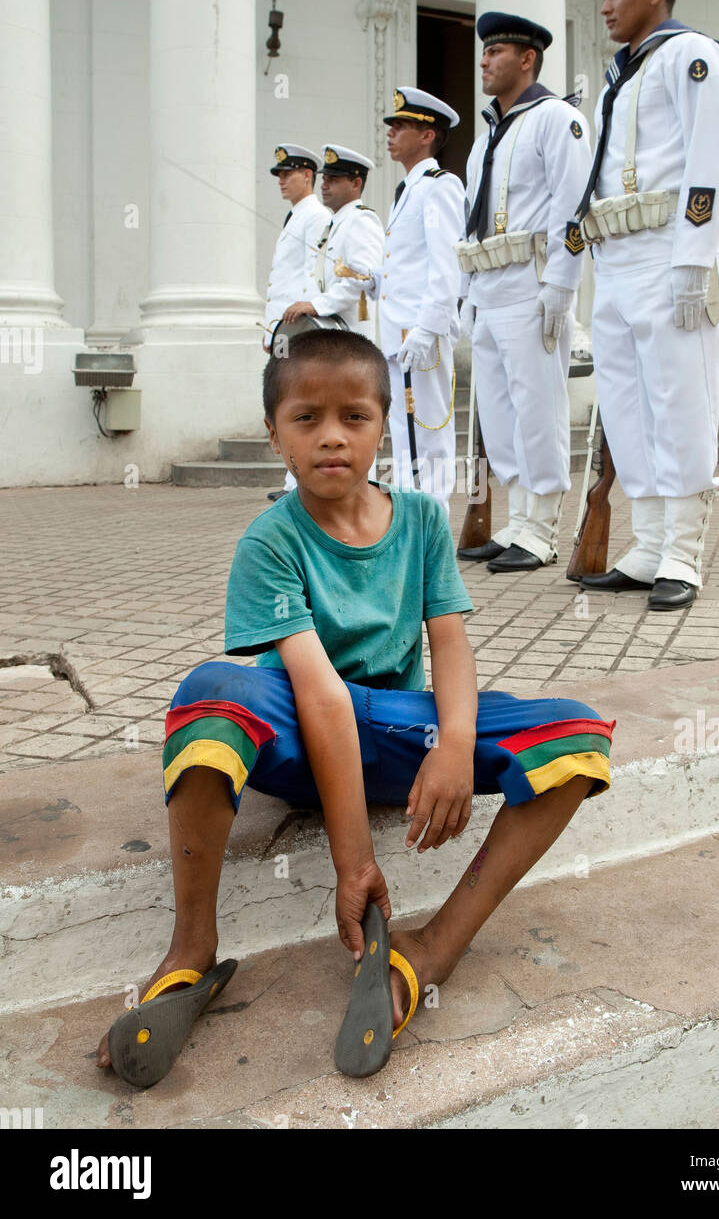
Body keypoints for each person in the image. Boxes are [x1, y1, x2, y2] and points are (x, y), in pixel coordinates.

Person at [96, 329, 614, 1086]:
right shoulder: (269, 543)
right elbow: (323, 699)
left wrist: (452, 744)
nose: (332, 436)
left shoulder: (423, 521)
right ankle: (191, 954)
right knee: (212, 694)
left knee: (576, 734)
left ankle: (429, 951)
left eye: (354, 417)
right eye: (306, 418)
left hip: (401, 734)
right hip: (303, 741)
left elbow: (451, 646)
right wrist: (355, 863)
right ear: (274, 432)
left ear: (384, 424)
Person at [576, 0, 719, 610]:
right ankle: (647, 546)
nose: (606, 6)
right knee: (626, 405)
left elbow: (713, 161)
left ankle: (683, 553)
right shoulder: (621, 75)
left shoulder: (691, 57)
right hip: (616, 261)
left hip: (669, 251)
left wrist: (693, 260)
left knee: (678, 404)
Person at [456, 12, 594, 573]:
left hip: (532, 287)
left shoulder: (557, 120)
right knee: (499, 411)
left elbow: (572, 207)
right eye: (483, 53)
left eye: (496, 52)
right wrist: (466, 293)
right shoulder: (488, 133)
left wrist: (562, 288)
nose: (484, 62)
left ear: (527, 59)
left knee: (538, 407)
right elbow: (471, 220)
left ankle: (541, 528)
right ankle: (516, 519)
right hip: (489, 289)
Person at [368, 87, 465, 509]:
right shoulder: (407, 190)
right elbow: (407, 262)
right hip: (397, 332)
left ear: (427, 135)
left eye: (401, 126)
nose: (391, 134)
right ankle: (412, 514)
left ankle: (434, 521)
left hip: (421, 331)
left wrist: (428, 328)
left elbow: (447, 265)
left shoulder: (439, 186)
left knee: (428, 432)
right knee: (404, 434)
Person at [263, 143, 332, 501]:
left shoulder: (315, 215)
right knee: (286, 399)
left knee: (300, 400)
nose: (281, 181)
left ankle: (298, 481)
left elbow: (310, 273)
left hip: (297, 325)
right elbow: (280, 279)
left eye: (287, 174)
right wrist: (271, 328)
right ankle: (293, 478)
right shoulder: (295, 215)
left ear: (308, 175)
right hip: (283, 325)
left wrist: (291, 327)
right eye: (279, 175)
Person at [280, 145, 384, 339]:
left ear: (356, 183)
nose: (324, 185)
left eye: (333, 180)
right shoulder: (335, 222)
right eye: (324, 179)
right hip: (326, 330)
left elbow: (361, 278)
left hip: (348, 334)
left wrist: (316, 306)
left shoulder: (361, 220)